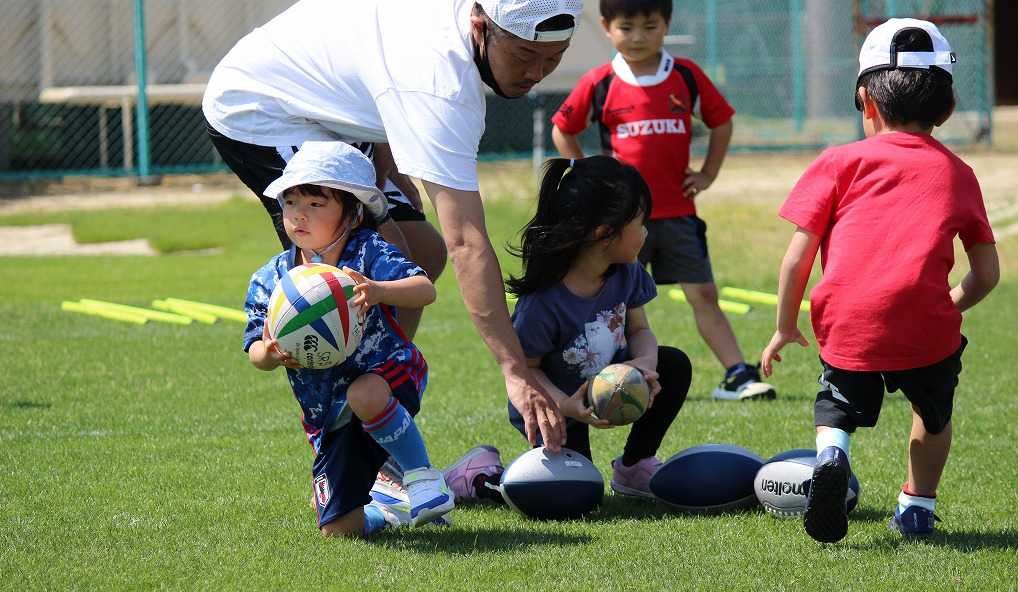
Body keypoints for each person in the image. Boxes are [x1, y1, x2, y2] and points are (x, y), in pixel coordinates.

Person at [204, 0, 584, 451]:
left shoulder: (445, 47)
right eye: (524, 54)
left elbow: (378, 64)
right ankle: (348, 444)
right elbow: (466, 240)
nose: (536, 72)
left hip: (334, 110)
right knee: (336, 290)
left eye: (554, 58)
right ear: (480, 26)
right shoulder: (440, 84)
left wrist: (389, 167)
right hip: (263, 107)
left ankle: (381, 399)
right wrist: (516, 372)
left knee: (422, 254)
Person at [760, 19, 1000, 543]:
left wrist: (784, 326)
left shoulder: (837, 162)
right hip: (926, 325)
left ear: (866, 101)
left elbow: (797, 259)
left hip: (849, 320)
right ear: (948, 107)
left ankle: (832, 455)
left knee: (836, 407)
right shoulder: (958, 173)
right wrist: (947, 305)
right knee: (932, 417)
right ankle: (915, 509)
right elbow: (987, 274)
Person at [550, 0, 775, 401]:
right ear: (606, 27)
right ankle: (609, 376)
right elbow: (563, 128)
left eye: (649, 26)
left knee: (703, 295)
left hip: (678, 214)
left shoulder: (686, 76)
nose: (638, 37)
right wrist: (589, 177)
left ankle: (738, 374)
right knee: (615, 303)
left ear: (666, 24)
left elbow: (722, 121)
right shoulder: (600, 81)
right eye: (626, 27)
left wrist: (707, 173)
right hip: (621, 222)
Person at [243, 141, 455, 538]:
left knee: (364, 393)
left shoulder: (368, 252)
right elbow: (254, 346)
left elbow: (425, 289)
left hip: (390, 376)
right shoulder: (272, 279)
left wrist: (379, 290)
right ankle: (391, 511)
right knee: (339, 529)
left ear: (354, 213)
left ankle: (422, 478)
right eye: (290, 202)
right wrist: (268, 354)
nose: (299, 214)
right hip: (326, 410)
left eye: (315, 203)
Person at [494, 156, 692, 500]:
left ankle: (634, 466)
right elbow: (528, 370)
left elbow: (639, 331)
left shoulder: (627, 272)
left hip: (610, 379)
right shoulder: (543, 302)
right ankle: (482, 476)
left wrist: (645, 363)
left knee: (673, 364)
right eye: (641, 223)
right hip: (555, 404)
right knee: (578, 494)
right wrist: (565, 406)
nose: (646, 232)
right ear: (604, 233)